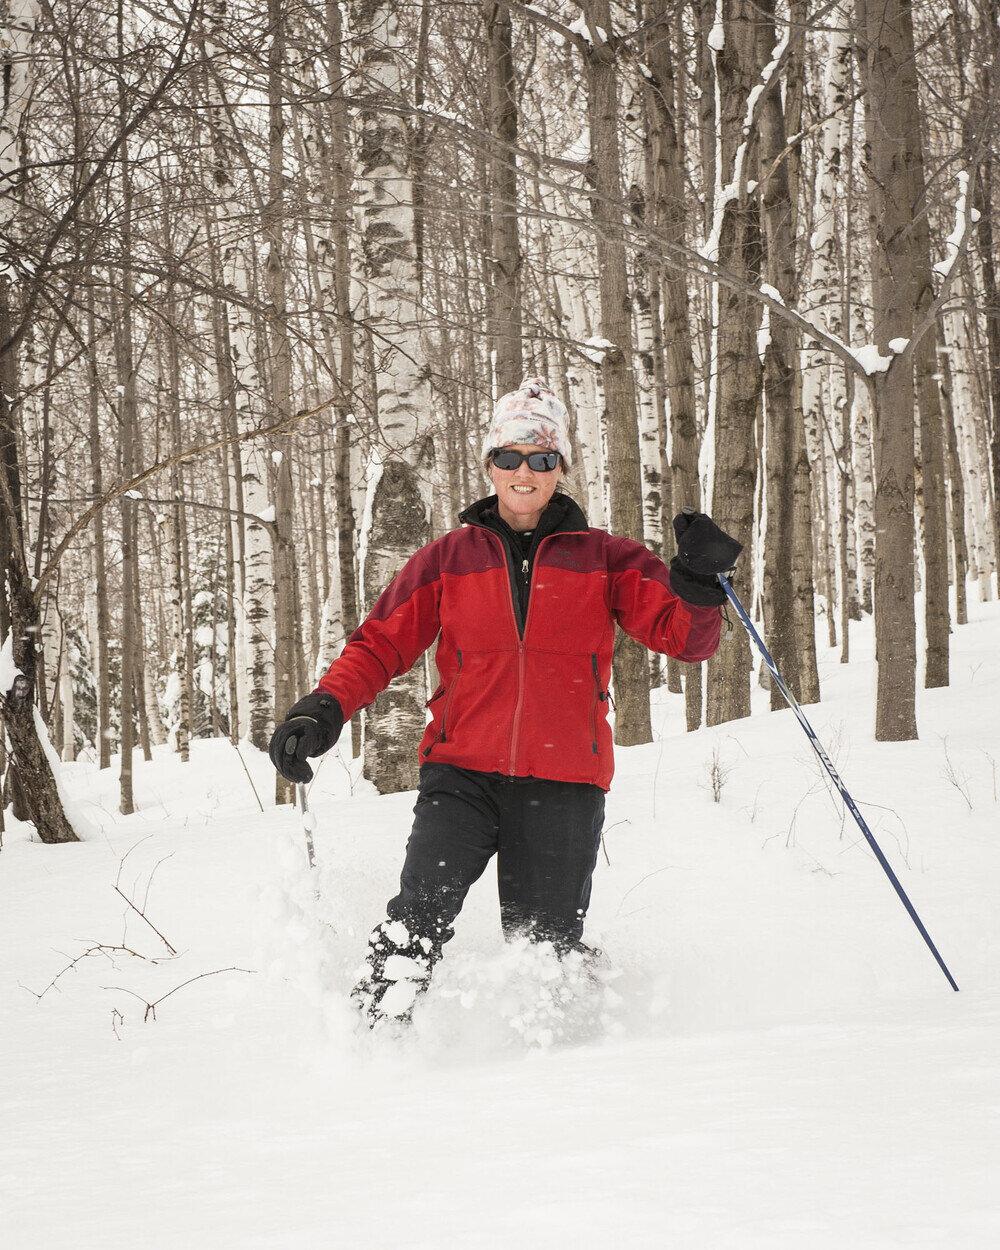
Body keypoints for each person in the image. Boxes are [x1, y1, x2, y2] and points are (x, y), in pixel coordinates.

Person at [269, 377, 741, 1024]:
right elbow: (379, 645)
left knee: (547, 950)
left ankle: (567, 1068)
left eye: (542, 457)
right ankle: (369, 1047)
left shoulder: (606, 560)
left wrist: (697, 582)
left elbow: (685, 641)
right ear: (490, 464)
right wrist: (321, 710)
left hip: (566, 781)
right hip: (462, 775)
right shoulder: (447, 561)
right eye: (511, 457)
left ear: (560, 468)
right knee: (417, 919)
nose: (526, 471)